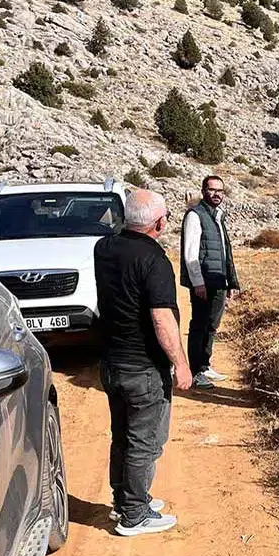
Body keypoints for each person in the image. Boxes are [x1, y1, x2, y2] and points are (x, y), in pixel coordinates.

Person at [93, 189, 190, 537]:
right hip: (143, 366)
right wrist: (181, 363)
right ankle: (134, 514)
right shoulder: (154, 260)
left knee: (122, 435)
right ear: (160, 223)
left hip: (111, 362)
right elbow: (162, 319)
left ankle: (127, 499)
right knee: (145, 441)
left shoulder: (104, 248)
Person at [180, 175, 241, 389]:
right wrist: (198, 282)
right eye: (212, 190)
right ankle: (195, 372)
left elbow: (226, 253)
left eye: (220, 191)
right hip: (204, 281)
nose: (217, 194)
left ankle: (204, 365)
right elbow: (191, 253)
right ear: (204, 190)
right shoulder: (195, 215)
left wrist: (231, 282)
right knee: (199, 325)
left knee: (211, 326)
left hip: (218, 280)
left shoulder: (217, 216)